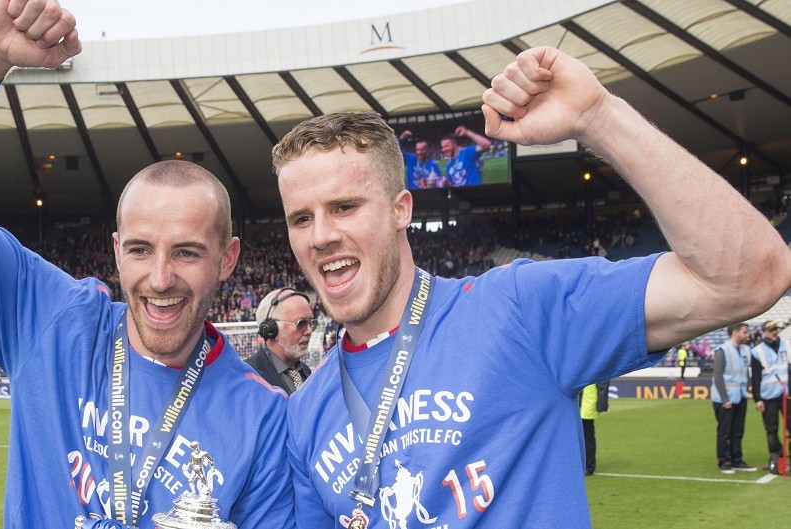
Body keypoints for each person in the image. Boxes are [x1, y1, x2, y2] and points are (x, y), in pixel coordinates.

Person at [272, 46, 791, 527]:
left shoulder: (517, 310)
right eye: (300, 218)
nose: (321, 236)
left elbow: (749, 277)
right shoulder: (305, 411)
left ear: (400, 210)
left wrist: (598, 117)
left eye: (345, 207)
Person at [0, 1, 292, 527]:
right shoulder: (54, 318)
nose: (161, 278)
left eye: (187, 252)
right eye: (141, 249)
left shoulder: (264, 417)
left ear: (227, 259)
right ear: (117, 249)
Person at [245, 287, 314, 395]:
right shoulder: (246, 376)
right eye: (301, 323)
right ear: (271, 329)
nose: (309, 330)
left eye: (311, 323)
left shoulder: (306, 371)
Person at [710, 323, 756, 473]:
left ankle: (737, 460)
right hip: (725, 400)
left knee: (738, 431)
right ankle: (723, 461)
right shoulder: (722, 350)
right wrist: (725, 399)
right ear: (735, 333)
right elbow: (718, 377)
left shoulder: (745, 350)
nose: (747, 335)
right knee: (725, 432)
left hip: (741, 396)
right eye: (745, 332)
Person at [751, 320, 789, 474]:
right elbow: (755, 378)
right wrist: (757, 398)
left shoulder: (786, 345)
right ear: (764, 332)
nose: (774, 332)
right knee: (771, 429)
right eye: (771, 330)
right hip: (768, 396)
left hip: (786, 394)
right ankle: (776, 459)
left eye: (775, 329)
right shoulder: (757, 351)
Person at [579, 381, 609, 476]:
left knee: (587, 438)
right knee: (582, 437)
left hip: (587, 407)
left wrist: (601, 405)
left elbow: (603, 384)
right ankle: (584, 465)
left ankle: (589, 466)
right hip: (581, 406)